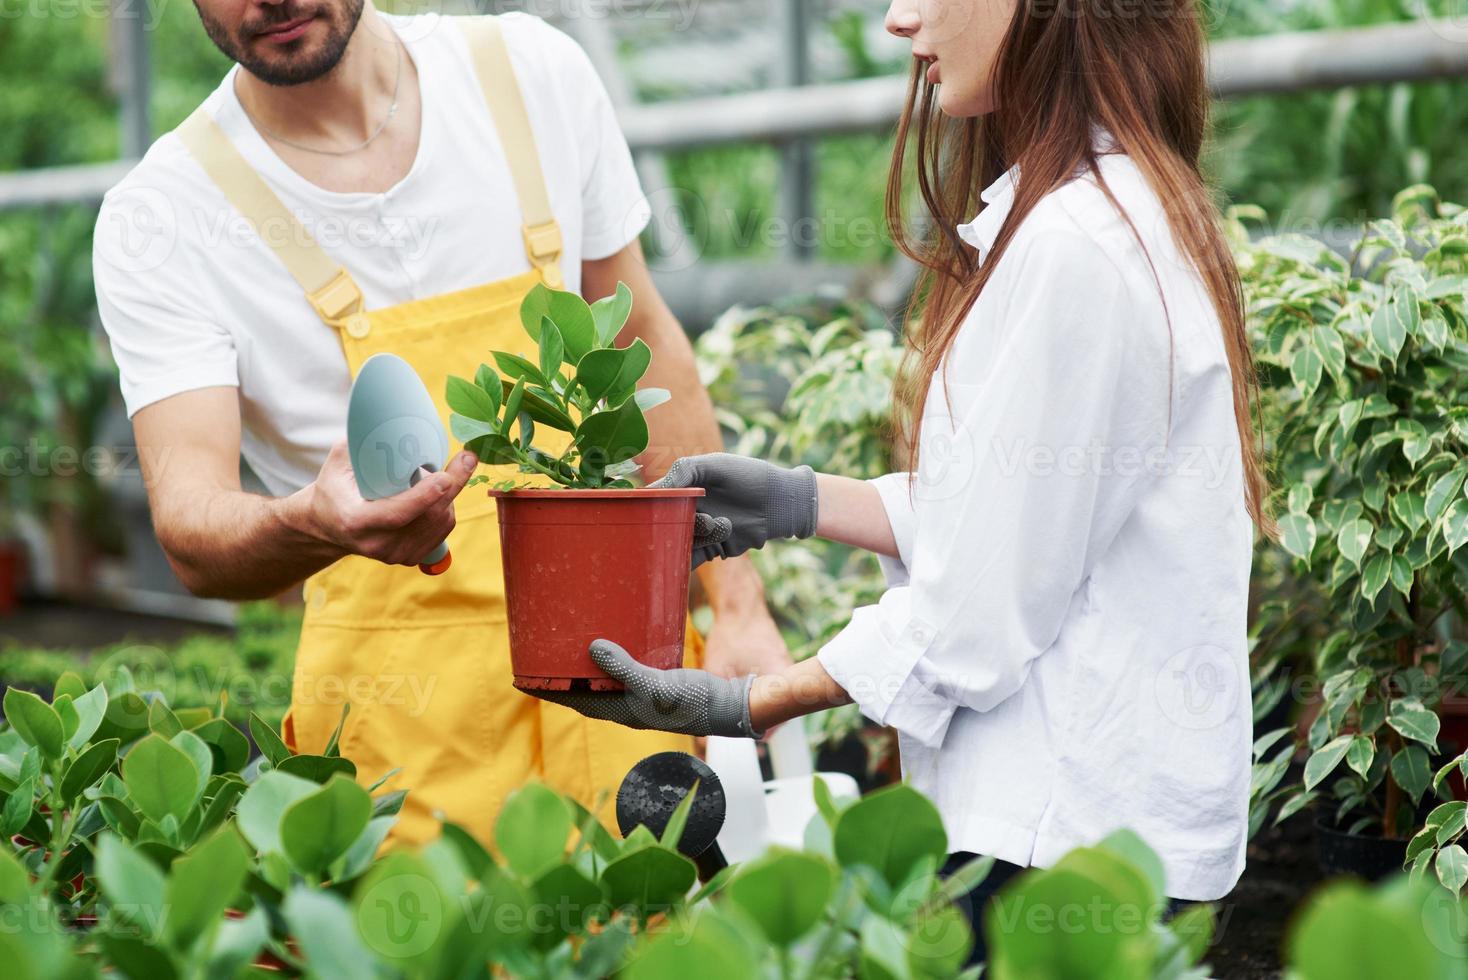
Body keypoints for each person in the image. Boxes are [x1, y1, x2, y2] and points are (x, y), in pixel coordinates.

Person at [538, 0, 1269, 960]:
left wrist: (747, 703)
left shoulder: (1077, 247)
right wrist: (801, 502)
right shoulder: (1106, 212)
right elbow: (1032, 516)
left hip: (1064, 846)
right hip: (1090, 832)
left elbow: (977, 617)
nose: (896, 19)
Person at [91, 3, 791, 845]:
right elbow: (190, 524)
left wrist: (737, 604)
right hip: (402, 745)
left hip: (623, 697)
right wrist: (309, 521)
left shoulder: (531, 76)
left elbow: (643, 340)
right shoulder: (165, 215)